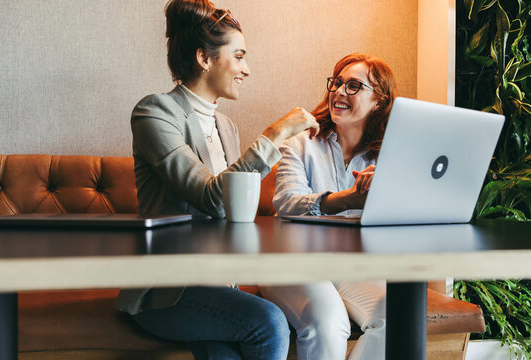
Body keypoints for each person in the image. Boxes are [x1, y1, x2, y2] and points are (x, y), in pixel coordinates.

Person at [116, 1, 320, 359]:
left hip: (219, 285)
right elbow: (211, 197)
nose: (247, 69)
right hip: (169, 288)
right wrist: (276, 132)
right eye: (238, 57)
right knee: (269, 322)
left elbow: (235, 214)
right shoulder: (154, 112)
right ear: (204, 58)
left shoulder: (226, 127)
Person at [268, 53, 398, 360]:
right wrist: (348, 199)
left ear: (378, 101)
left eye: (353, 86)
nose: (339, 92)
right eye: (337, 83)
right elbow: (286, 204)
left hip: (354, 265)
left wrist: (387, 196)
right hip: (292, 260)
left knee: (396, 319)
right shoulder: (299, 145)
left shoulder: (389, 157)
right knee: (328, 323)